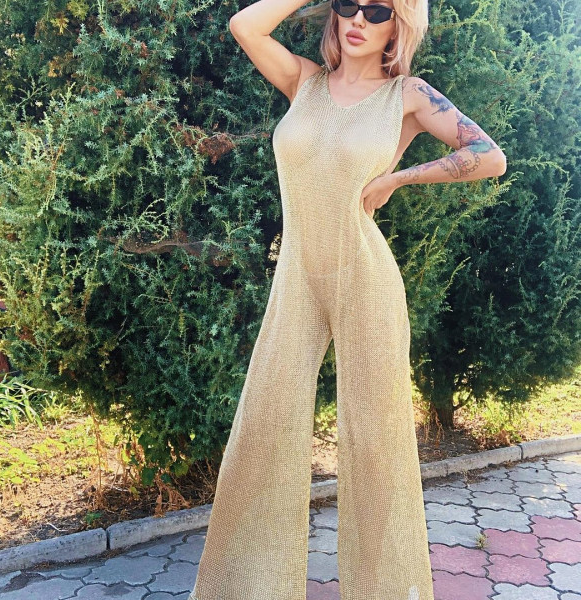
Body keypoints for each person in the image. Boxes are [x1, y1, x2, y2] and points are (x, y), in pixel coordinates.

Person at [188, 0, 507, 599]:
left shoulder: (408, 96)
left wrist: (398, 178)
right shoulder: (303, 81)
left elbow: (491, 156)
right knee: (263, 427)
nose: (359, 19)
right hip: (298, 278)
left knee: (376, 445)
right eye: (347, 5)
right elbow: (244, 25)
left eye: (378, 10)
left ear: (398, 24)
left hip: (365, 278)